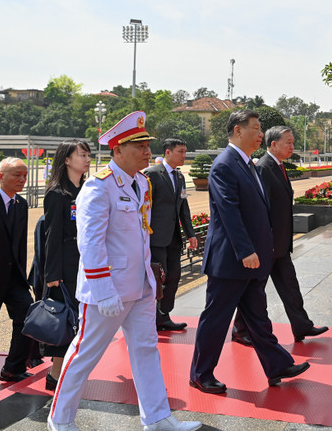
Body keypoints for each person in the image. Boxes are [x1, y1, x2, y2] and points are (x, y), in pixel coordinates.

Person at [48, 112, 201, 431]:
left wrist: (150, 281)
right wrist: (103, 290)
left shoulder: (142, 183)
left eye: (148, 145)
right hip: (109, 291)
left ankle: (158, 418)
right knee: (84, 354)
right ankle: (60, 419)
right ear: (117, 150)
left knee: (146, 352)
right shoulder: (98, 187)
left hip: (141, 287)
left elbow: (140, 238)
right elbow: (89, 243)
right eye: (139, 145)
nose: (147, 151)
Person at [189, 111, 309, 395]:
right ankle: (201, 374)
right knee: (216, 319)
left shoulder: (248, 165)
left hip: (253, 259)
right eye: (255, 128)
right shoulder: (224, 165)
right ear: (237, 131)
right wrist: (245, 251)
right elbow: (229, 211)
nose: (260, 134)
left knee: (257, 316)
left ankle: (277, 364)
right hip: (232, 260)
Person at [231, 126, 328, 346]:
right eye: (288, 142)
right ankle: (240, 329)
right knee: (254, 290)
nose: (292, 146)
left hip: (280, 243)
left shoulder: (279, 167)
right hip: (268, 243)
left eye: (293, 142)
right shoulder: (265, 168)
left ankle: (301, 325)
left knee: (290, 285)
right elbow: (259, 208)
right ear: (273, 144)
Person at [41, 139, 91, 391]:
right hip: (65, 266)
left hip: (85, 262)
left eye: (88, 155)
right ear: (67, 160)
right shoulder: (57, 194)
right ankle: (56, 374)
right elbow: (51, 236)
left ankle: (60, 373)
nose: (87, 159)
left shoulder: (87, 190)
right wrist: (52, 274)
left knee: (80, 321)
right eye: (81, 155)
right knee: (66, 320)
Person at [0, 157, 36, 382]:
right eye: (17, 175)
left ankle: (13, 368)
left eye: (24, 175)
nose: (22, 180)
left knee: (27, 317)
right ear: (0, 176)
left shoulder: (21, 204)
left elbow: (18, 245)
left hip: (14, 278)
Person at [144, 138, 197, 331]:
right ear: (168, 152)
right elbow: (144, 208)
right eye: (180, 152)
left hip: (174, 237)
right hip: (156, 238)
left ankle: (164, 314)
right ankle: (153, 318)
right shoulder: (152, 174)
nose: (184, 156)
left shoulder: (180, 177)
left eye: (185, 152)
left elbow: (184, 207)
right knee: (158, 279)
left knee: (174, 275)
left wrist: (190, 233)